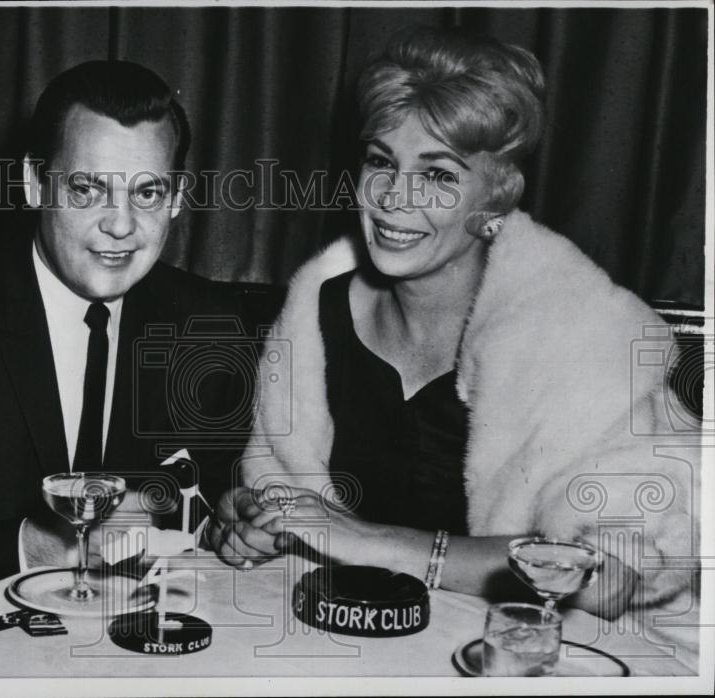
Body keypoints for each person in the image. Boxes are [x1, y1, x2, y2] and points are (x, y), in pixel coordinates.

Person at [211, 26, 697, 630]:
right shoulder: (313, 318)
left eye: (439, 175)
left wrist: (372, 542)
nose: (394, 198)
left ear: (495, 198)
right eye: (381, 162)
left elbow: (606, 580)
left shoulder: (579, 332)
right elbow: (299, 512)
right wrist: (261, 526)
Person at [0, 60, 251, 677]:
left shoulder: (210, 324)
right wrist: (54, 545)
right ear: (33, 184)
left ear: (177, 198)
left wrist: (236, 524)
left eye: (147, 192)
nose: (120, 225)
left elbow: (214, 514)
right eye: (87, 189)